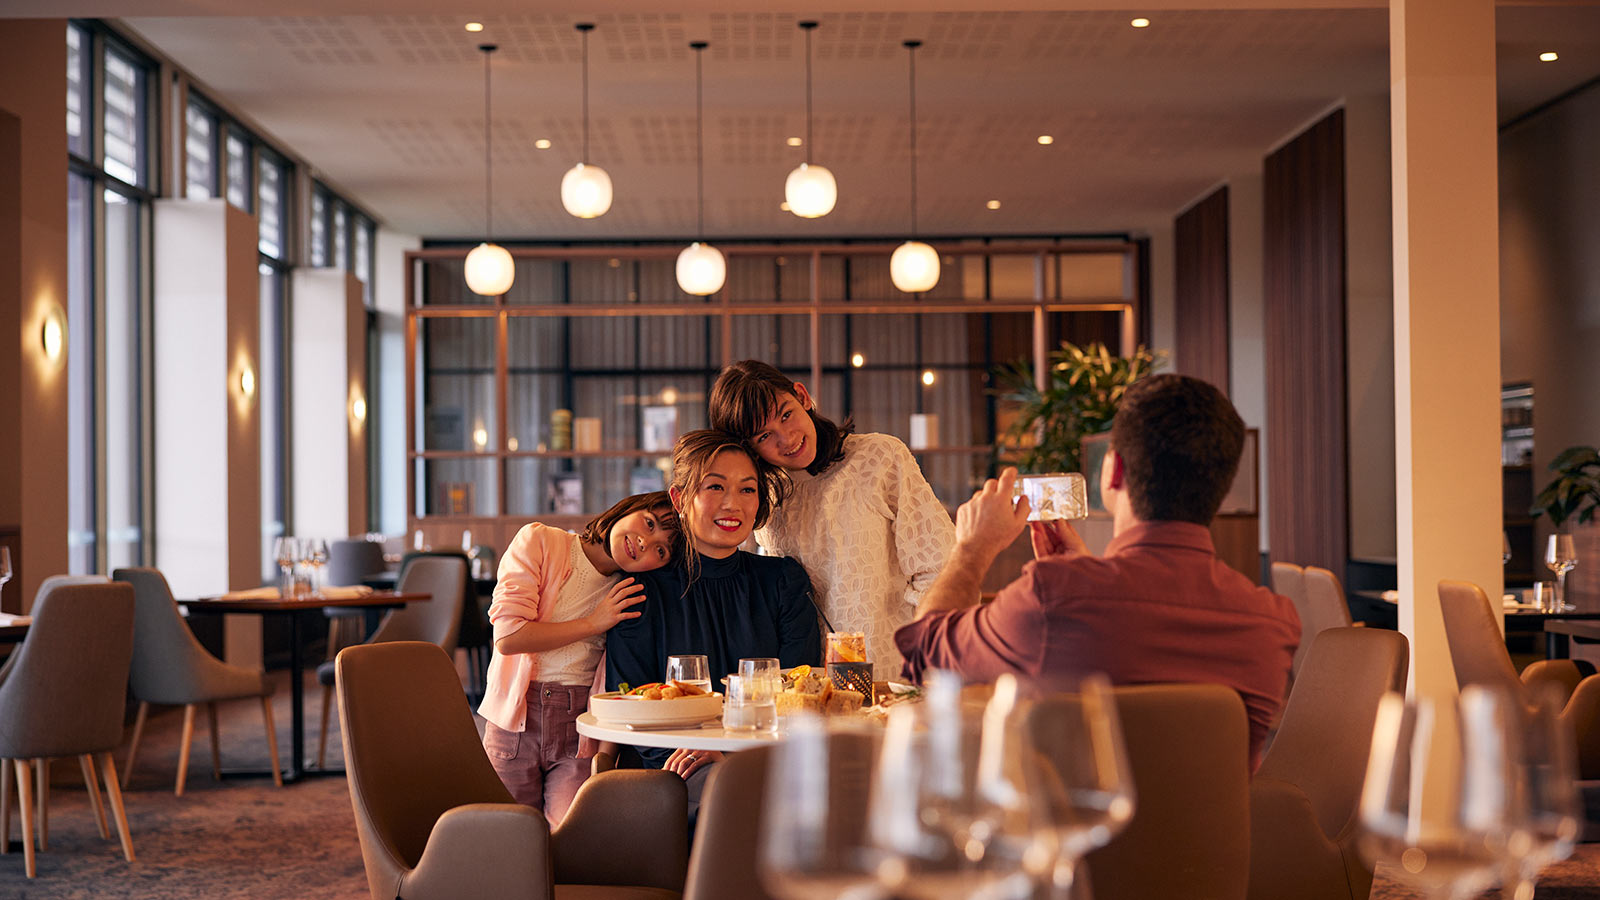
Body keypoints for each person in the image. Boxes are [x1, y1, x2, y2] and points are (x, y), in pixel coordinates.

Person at [894, 374, 1299, 769]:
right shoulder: (1273, 623)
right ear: (1222, 488)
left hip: (1076, 833)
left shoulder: (1050, 598)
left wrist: (971, 549)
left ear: (1113, 471)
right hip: (1219, 839)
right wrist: (1082, 577)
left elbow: (925, 652)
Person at [605, 429, 823, 814]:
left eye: (747, 490)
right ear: (679, 499)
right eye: (715, 487)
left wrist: (731, 760)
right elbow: (632, 700)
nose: (732, 505)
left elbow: (799, 695)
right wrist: (702, 758)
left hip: (765, 765)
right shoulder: (641, 592)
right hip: (672, 773)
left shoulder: (784, 582)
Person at [709, 359, 954, 680]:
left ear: (802, 396)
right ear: (749, 448)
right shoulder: (762, 493)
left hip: (894, 672)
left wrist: (922, 657)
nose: (786, 439)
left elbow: (939, 566)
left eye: (786, 415)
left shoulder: (879, 456)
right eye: (764, 436)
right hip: (808, 683)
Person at [478, 492, 681, 826]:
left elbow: (620, 676)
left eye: (661, 550)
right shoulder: (540, 541)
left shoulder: (630, 591)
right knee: (506, 837)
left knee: (569, 840)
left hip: (580, 730)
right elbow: (509, 638)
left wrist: (604, 755)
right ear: (629, 507)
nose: (645, 542)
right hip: (515, 721)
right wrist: (593, 623)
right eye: (649, 523)